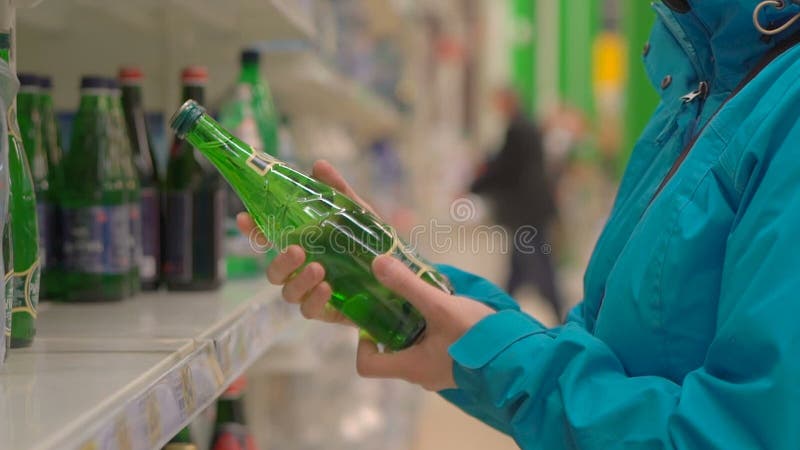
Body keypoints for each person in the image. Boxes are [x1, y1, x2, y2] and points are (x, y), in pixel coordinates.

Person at [237, 1, 800, 448]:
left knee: (534, 269)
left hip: (529, 215)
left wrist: (495, 356)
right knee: (537, 277)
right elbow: (598, 354)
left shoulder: (779, 107)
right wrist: (405, 281)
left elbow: (738, 434)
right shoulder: (692, 96)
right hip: (527, 216)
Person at [470, 88, 564, 318]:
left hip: (526, 211)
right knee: (522, 263)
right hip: (533, 208)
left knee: (536, 263)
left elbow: (506, 168)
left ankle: (555, 310)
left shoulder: (517, 129)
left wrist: (475, 185)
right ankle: (502, 308)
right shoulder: (527, 126)